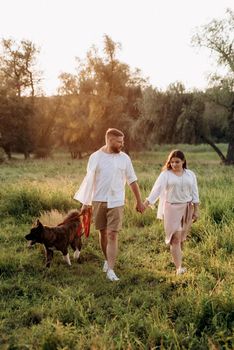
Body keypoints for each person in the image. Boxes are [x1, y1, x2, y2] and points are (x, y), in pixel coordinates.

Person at [74, 128, 145, 281]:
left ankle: (111, 270)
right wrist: (85, 203)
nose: (122, 144)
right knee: (103, 233)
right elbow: (89, 180)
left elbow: (132, 180)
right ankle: (107, 259)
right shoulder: (95, 157)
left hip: (117, 201)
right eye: (119, 142)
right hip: (99, 200)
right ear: (110, 140)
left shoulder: (124, 158)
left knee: (112, 234)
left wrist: (139, 201)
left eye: (122, 141)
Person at [144, 150, 199, 275]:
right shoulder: (166, 175)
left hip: (187, 208)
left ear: (183, 161)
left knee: (181, 239)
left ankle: (178, 261)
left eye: (177, 162)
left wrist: (196, 209)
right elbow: (156, 190)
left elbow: (195, 192)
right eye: (172, 162)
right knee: (175, 238)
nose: (174, 164)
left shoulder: (190, 174)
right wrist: (146, 203)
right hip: (171, 209)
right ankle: (179, 269)